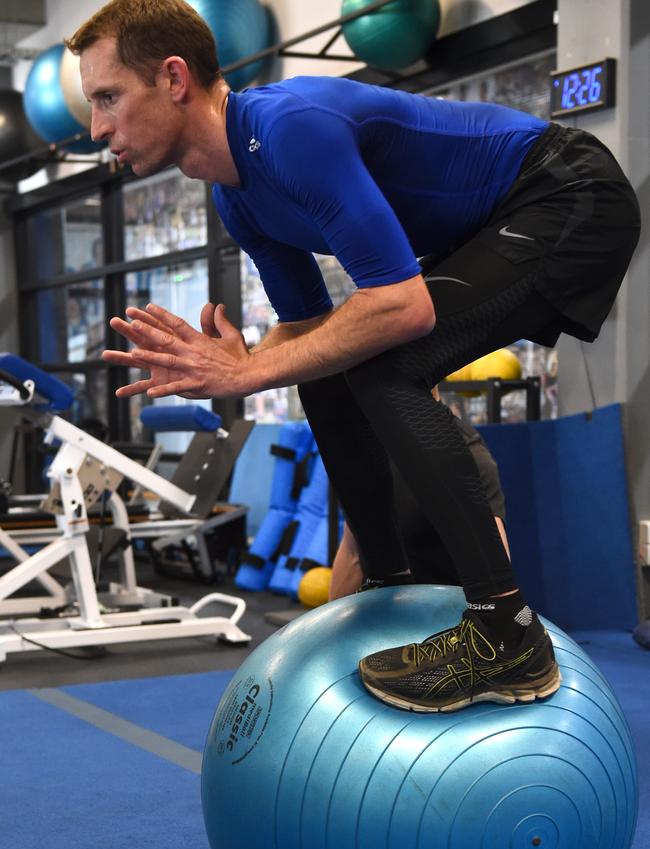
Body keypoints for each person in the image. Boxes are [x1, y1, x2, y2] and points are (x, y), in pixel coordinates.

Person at [67, 0, 641, 713]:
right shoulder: (235, 197)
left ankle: (507, 633)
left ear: (175, 78)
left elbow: (403, 309)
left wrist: (248, 371)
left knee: (384, 362)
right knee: (333, 365)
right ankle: (387, 588)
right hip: (492, 224)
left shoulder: (285, 129)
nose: (96, 129)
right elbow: (308, 328)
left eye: (107, 98)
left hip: (567, 191)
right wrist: (219, 367)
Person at [330, 389, 510, 599]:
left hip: (444, 618)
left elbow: (494, 575)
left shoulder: (466, 455)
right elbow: (353, 552)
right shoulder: (370, 448)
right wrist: (327, 629)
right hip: (384, 614)